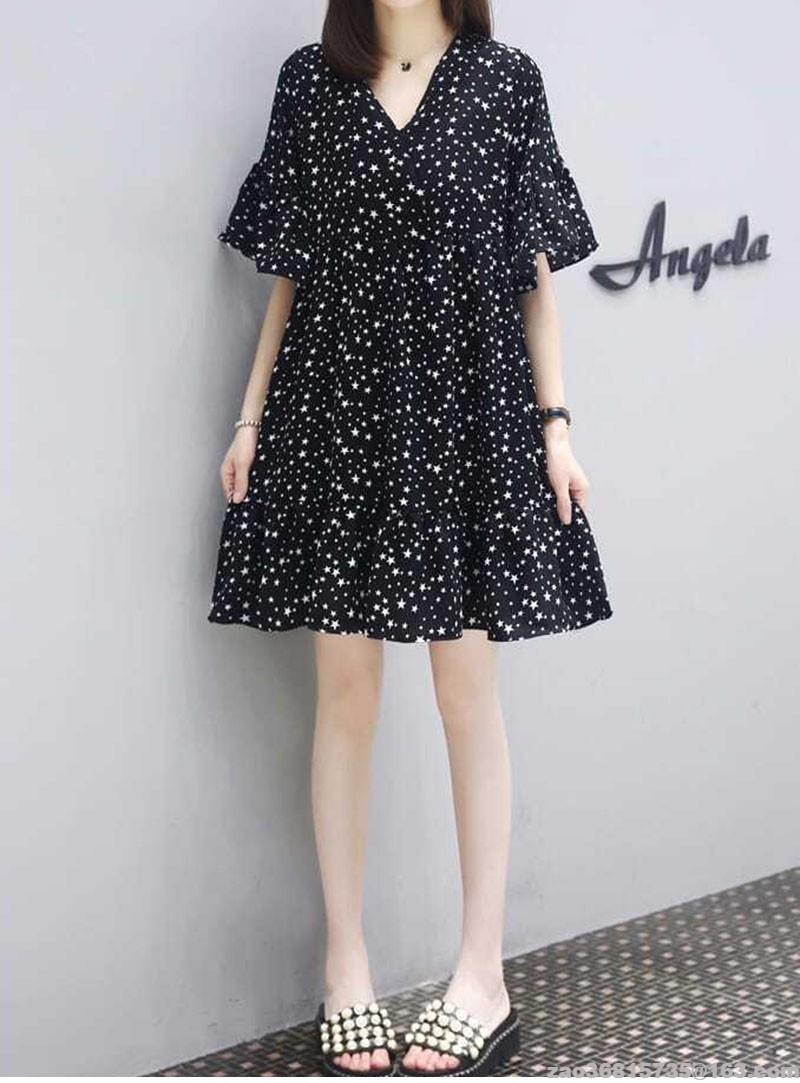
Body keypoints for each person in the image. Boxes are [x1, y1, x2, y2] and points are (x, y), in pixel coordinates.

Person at [207, 0, 613, 1075]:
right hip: (335, 413)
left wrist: (555, 426)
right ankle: (346, 967)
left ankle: (481, 977)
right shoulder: (311, 82)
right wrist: (249, 417)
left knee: (464, 691)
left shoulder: (504, 82)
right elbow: (292, 270)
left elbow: (532, 278)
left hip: (468, 416)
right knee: (343, 693)